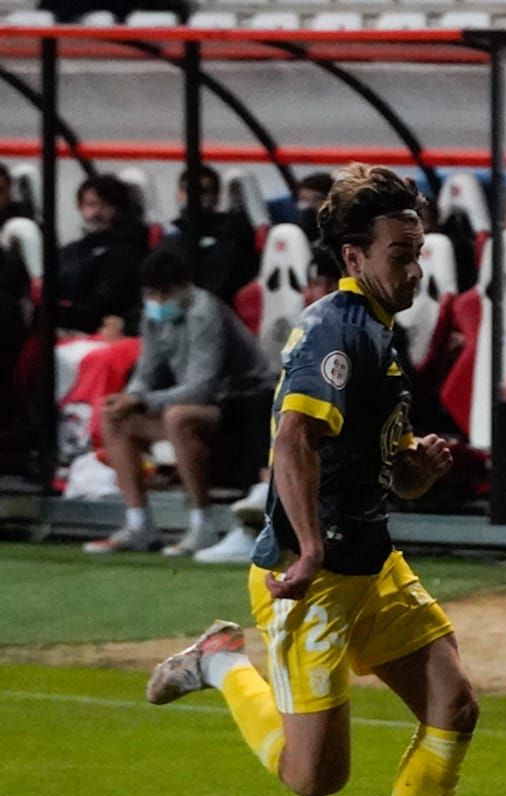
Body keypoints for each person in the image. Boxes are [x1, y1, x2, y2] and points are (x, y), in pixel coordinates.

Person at [144, 163, 489, 796]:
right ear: (355, 256)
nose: (415, 267)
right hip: (317, 575)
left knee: (454, 703)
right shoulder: (335, 327)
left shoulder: (379, 331)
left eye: (419, 250)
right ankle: (222, 662)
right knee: (313, 779)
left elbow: (384, 472)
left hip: (373, 562)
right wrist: (304, 551)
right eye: (401, 252)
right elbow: (294, 441)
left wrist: (416, 470)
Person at [84, 248, 276, 556]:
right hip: (200, 401)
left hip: (242, 404)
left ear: (183, 287)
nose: (157, 301)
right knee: (114, 416)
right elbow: (146, 372)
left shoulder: (205, 312)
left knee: (178, 417)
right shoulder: (152, 314)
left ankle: (202, 523)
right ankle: (139, 524)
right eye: (151, 293)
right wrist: (130, 397)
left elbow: (201, 387)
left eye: (164, 293)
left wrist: (141, 400)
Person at [195, 247, 344, 566]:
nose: (315, 291)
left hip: (349, 441)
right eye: (314, 283)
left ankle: (270, 502)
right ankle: (264, 493)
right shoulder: (313, 331)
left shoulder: (365, 332)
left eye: (324, 283)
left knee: (300, 416)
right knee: (261, 398)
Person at [58, 174, 148, 337]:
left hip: (103, 329)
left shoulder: (129, 249)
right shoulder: (72, 250)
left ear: (118, 208)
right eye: (91, 204)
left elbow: (105, 301)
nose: (97, 212)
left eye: (105, 205)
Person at [157, 165, 258, 304]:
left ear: (216, 197)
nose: (194, 197)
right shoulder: (168, 242)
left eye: (202, 191)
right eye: (188, 190)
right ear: (179, 194)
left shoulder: (232, 239)